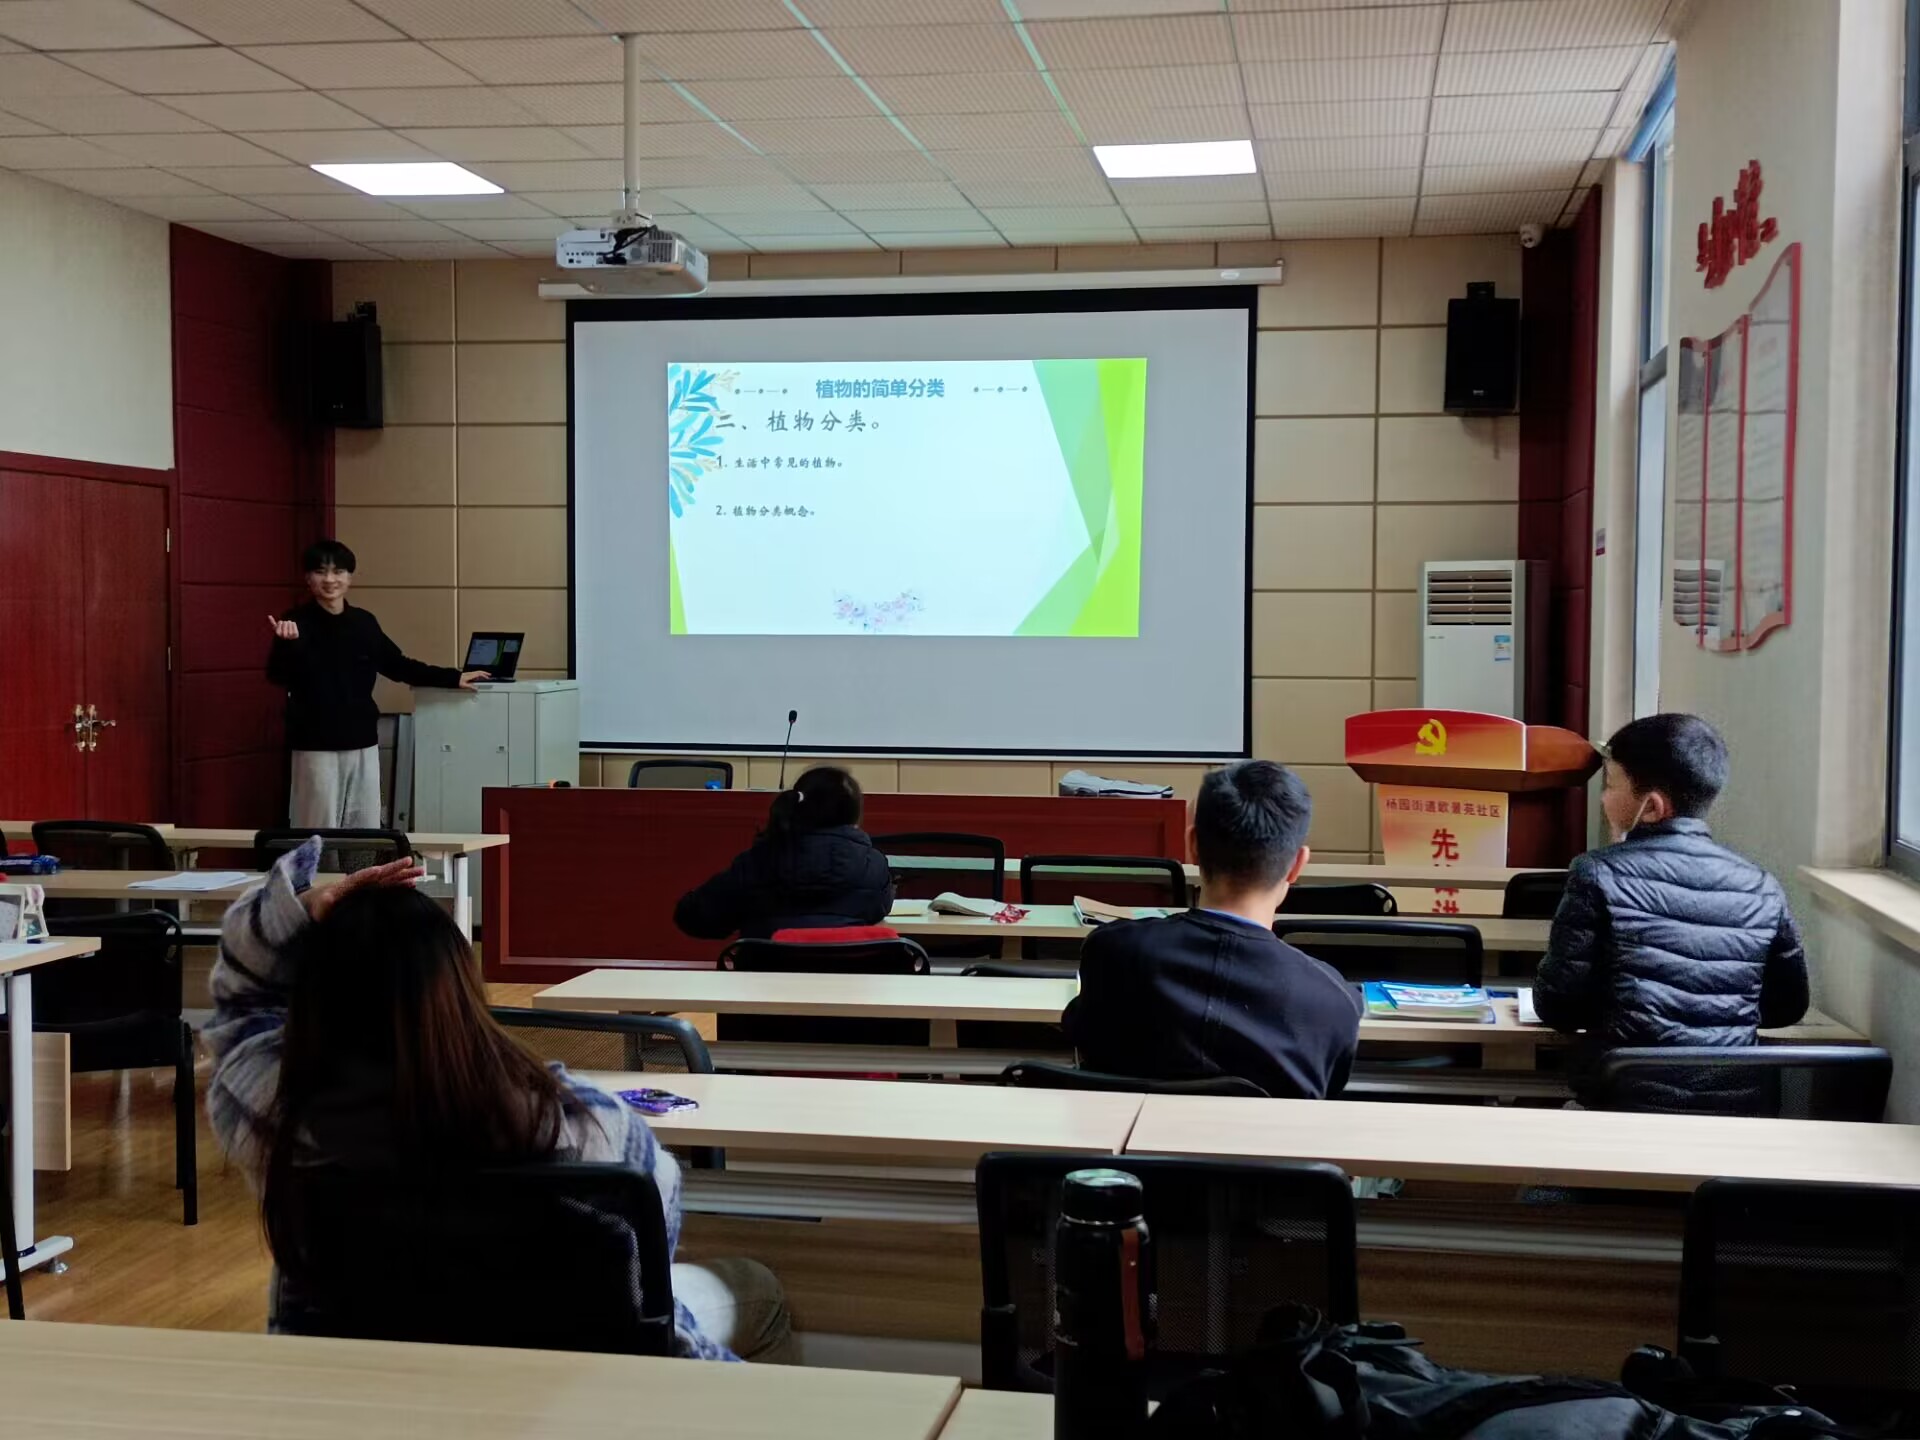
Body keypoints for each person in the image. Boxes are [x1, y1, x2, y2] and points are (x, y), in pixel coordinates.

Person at [204, 837, 795, 1361]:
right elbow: (649, 1274)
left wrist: (302, 910)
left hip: (367, 1385)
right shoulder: (590, 1126)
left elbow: (238, 1000)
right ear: (463, 990)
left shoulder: (274, 1114)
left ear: (311, 1001)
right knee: (757, 1289)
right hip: (561, 1382)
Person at [1534, 713, 1808, 1112]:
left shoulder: (1597, 873)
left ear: (1652, 807)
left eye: (1610, 784)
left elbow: (1558, 1007)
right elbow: (1787, 1007)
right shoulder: (1761, 885)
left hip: (1624, 1105)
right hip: (1735, 1111)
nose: (1603, 798)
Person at [1061, 760, 1363, 1099]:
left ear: (1192, 845)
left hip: (1127, 1134)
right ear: (1297, 865)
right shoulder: (1335, 1001)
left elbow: (1082, 1037)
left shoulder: (1112, 951)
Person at [267, 538, 488, 829]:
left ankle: (364, 862)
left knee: (364, 823)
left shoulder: (363, 622)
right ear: (308, 578)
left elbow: (397, 665)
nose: (330, 580)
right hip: (314, 745)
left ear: (350, 577)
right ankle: (319, 863)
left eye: (339, 571)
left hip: (363, 740)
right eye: (321, 572)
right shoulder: (295, 622)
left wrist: (452, 677)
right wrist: (287, 645)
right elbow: (277, 675)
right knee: (316, 827)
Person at [674, 765, 894, 940]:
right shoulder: (873, 866)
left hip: (763, 980)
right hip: (849, 980)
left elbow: (694, 917)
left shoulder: (756, 862)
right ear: (854, 817)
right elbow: (876, 911)